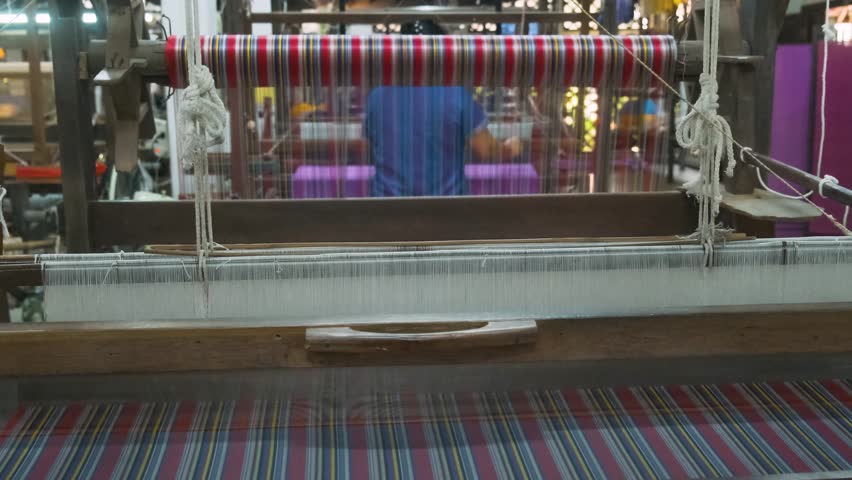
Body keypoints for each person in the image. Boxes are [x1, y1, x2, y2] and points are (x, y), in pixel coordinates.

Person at [364, 21, 522, 197]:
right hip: (444, 206)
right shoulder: (455, 94)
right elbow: (487, 150)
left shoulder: (377, 96)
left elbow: (369, 146)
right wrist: (511, 147)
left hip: (387, 205)